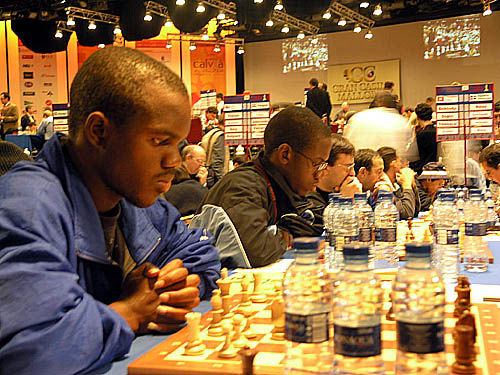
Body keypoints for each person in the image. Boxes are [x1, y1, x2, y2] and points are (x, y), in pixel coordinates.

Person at [0, 46, 221, 374]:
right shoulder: (29, 204)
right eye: (160, 141)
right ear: (99, 132)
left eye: (177, 145)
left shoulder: (135, 197)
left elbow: (202, 256)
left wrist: (179, 288)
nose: (174, 162)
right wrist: (131, 312)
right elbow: (34, 352)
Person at [195, 106, 333, 268]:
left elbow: (308, 224)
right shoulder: (243, 186)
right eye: (316, 164)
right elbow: (256, 253)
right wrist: (284, 235)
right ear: (285, 154)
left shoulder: (281, 184)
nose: (319, 174)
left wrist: (282, 232)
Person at [306, 134, 361, 227]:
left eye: (353, 167)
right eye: (347, 167)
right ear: (325, 167)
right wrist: (344, 203)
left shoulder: (339, 191)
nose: (352, 174)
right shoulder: (310, 202)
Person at [344, 91, 413, 160]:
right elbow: (410, 153)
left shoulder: (357, 118)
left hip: (361, 164)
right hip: (392, 166)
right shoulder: (402, 121)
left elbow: (346, 145)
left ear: (376, 102)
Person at [376, 146, 421, 219]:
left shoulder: (396, 184)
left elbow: (415, 211)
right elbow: (407, 214)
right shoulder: (383, 186)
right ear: (394, 164)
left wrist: (412, 185)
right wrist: (407, 186)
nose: (403, 164)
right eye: (400, 161)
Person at [409, 103, 437, 174]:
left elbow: (418, 154)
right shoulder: (436, 130)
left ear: (417, 117)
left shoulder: (422, 133)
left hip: (424, 169)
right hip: (435, 167)